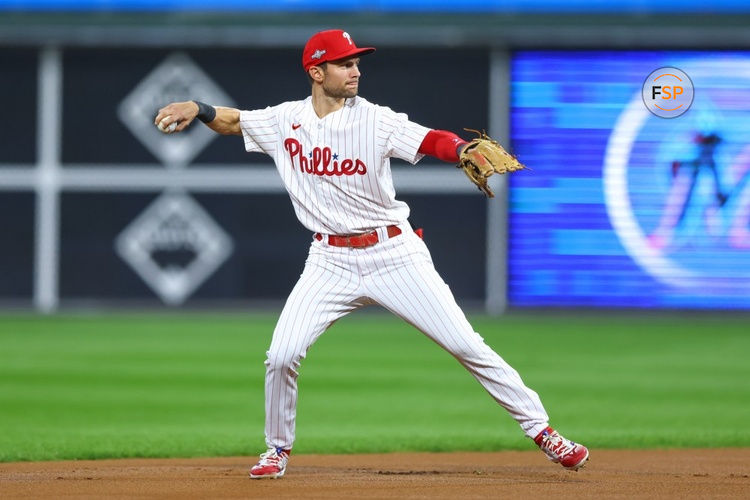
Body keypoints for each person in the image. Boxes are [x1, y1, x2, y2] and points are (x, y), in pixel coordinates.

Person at [154, 29, 589, 479]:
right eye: (345, 64)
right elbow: (235, 121)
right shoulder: (286, 120)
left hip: (394, 253)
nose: (356, 71)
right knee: (281, 355)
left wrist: (460, 148)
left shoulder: (375, 120)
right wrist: (199, 108)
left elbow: (429, 139)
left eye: (357, 62)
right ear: (316, 72)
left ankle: (544, 432)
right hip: (329, 261)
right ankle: (276, 449)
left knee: (465, 344)